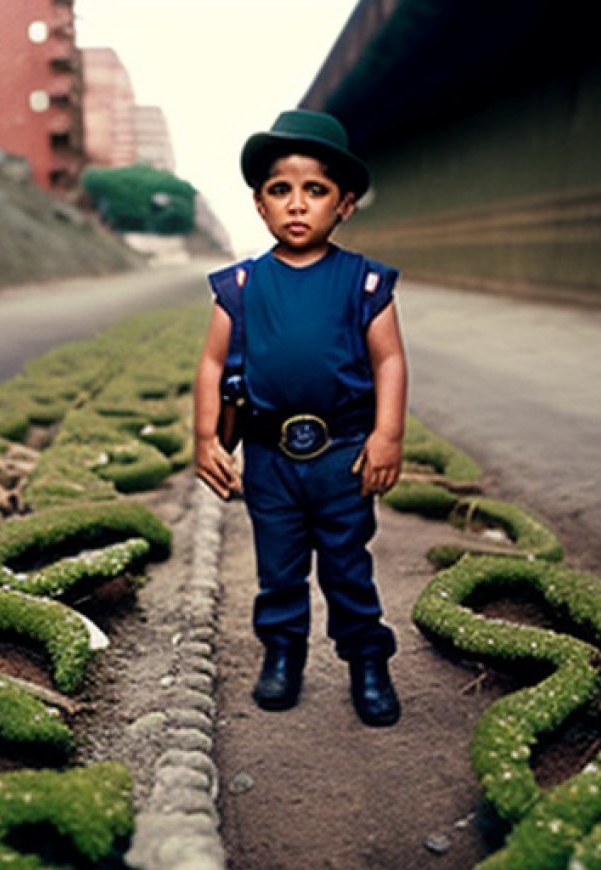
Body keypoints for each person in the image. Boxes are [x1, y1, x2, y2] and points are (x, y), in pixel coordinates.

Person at [193, 109, 407, 727]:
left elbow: (389, 361)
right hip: (269, 460)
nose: (296, 204)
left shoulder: (365, 284)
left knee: (347, 565)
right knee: (278, 569)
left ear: (343, 205)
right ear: (259, 205)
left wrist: (387, 434)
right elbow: (212, 365)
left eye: (315, 190)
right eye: (280, 190)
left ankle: (368, 659)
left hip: (344, 455)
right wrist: (207, 436)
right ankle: (281, 655)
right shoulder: (238, 286)